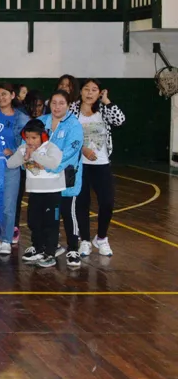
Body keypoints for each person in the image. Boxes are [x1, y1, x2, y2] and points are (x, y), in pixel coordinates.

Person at [70, 78, 124, 257]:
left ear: (100, 92)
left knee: (107, 202)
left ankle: (101, 238)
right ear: (80, 91)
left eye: (94, 89)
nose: (90, 93)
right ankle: (85, 240)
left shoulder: (104, 110)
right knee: (82, 203)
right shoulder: (72, 110)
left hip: (101, 164)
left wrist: (107, 101)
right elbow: (66, 136)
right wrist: (82, 149)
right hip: (79, 165)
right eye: (86, 89)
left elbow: (120, 120)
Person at [9, 119, 67, 269]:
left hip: (52, 192)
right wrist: (23, 156)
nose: (30, 141)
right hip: (35, 192)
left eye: (34, 138)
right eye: (27, 137)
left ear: (43, 136)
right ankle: (38, 247)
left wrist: (34, 154)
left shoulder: (51, 148)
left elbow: (53, 164)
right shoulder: (24, 148)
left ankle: (51, 252)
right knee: (34, 222)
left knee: (51, 224)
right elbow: (11, 164)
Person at [39, 90, 84, 264]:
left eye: (61, 103)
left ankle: (73, 249)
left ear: (68, 105)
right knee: (50, 214)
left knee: (68, 212)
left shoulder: (74, 125)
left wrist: (49, 163)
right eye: (54, 103)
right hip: (44, 178)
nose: (57, 107)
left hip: (66, 178)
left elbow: (71, 151)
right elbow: (29, 142)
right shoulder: (42, 122)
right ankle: (52, 245)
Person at [0, 82, 29, 255]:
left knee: (8, 204)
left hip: (10, 166)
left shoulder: (22, 119)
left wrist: (12, 152)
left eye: (4, 94)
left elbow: (28, 145)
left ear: (13, 95)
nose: (1, 98)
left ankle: (6, 239)